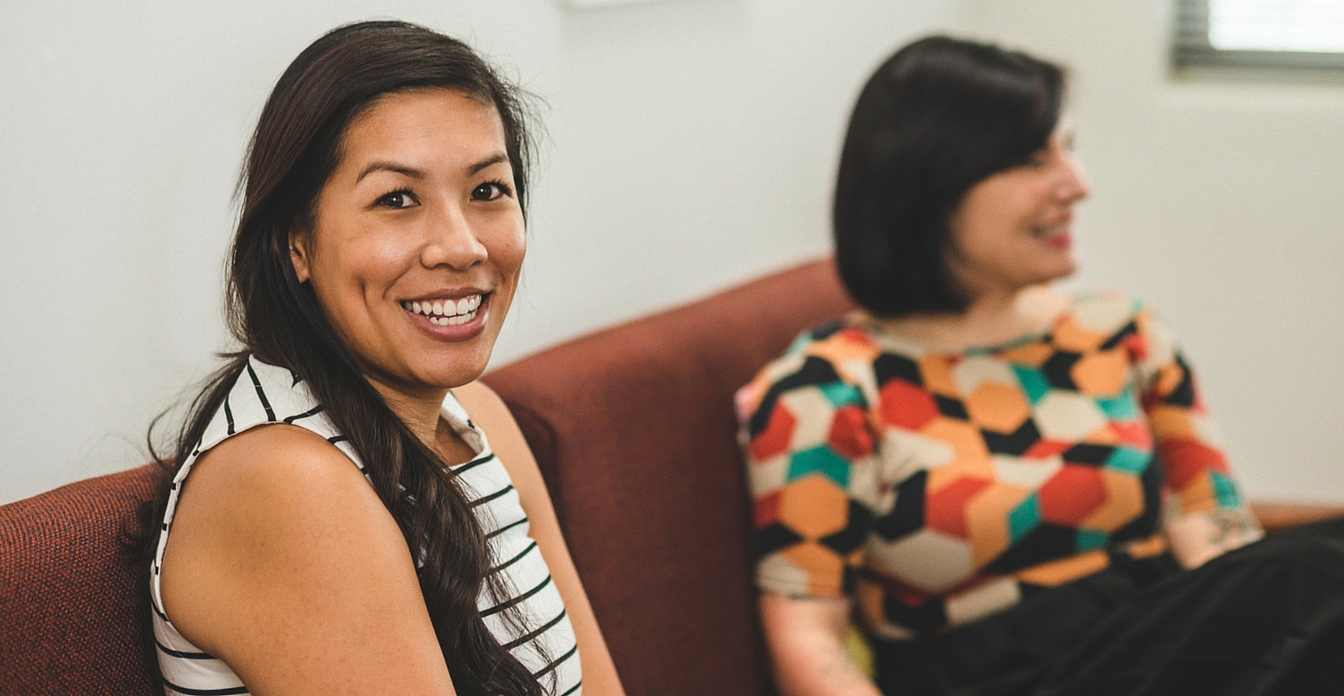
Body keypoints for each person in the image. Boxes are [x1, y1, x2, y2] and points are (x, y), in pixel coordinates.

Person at [736, 36, 1344, 696]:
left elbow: (1209, 521)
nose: (1077, 186)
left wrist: (1264, 632)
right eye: (1034, 160)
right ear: (931, 183)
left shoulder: (1118, 332)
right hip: (997, 674)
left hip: (1158, 636)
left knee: (1305, 572)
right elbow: (807, 636)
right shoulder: (825, 391)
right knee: (1305, 574)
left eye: (1069, 150)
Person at [138, 21, 624, 696]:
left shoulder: (477, 418)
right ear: (295, 244)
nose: (460, 247)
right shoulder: (287, 483)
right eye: (397, 199)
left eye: (487, 190)